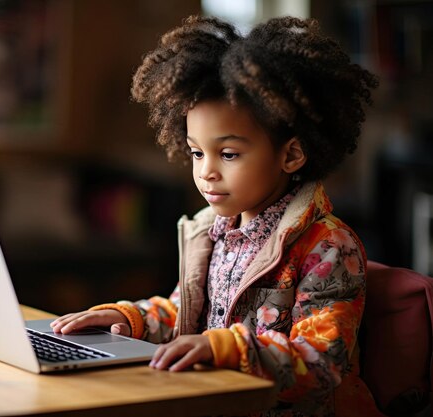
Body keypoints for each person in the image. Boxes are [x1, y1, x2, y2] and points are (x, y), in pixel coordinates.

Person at [51, 15, 379, 416]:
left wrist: (220, 347)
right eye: (196, 152)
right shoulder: (213, 231)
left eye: (228, 154)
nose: (206, 171)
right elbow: (186, 313)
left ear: (291, 154)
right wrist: (129, 317)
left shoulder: (328, 246)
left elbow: (322, 362)